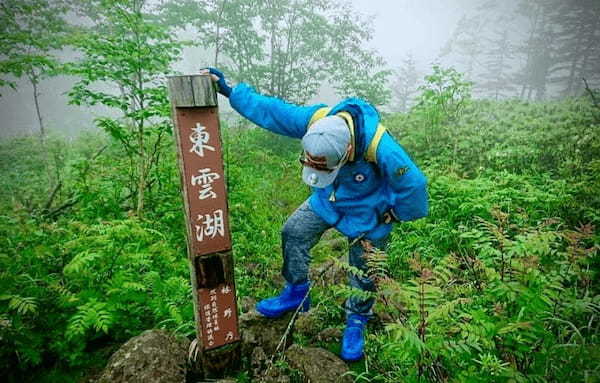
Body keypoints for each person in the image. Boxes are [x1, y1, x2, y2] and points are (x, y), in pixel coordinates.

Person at [202, 67, 429, 362]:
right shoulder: (319, 122)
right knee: (293, 231)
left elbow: (415, 184)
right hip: (327, 200)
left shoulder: (380, 146)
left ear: (347, 150)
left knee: (365, 267)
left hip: (369, 211)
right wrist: (232, 92)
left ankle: (357, 320)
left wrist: (394, 215)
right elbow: (275, 112)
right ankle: (296, 289)